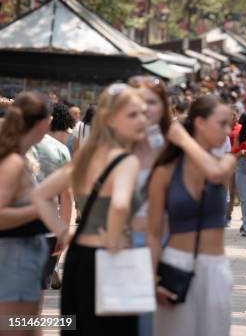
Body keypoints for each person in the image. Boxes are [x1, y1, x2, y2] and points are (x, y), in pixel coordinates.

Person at [32, 84, 148, 335]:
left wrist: (63, 233)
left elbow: (40, 195)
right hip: (114, 259)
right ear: (111, 119)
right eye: (133, 114)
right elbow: (119, 206)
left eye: (142, 113)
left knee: (79, 327)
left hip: (80, 259)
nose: (141, 120)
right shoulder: (126, 160)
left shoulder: (86, 158)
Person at [147, 95, 236, 336]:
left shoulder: (226, 161)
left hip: (215, 268)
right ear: (200, 123)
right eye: (222, 123)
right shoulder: (165, 171)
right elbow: (154, 231)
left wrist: (185, 141)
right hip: (175, 263)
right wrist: (152, 279)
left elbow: (215, 174)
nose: (228, 131)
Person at [0, 92, 51, 331]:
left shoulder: (17, 158)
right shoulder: (14, 162)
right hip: (14, 261)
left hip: (20, 261)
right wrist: (38, 209)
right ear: (43, 124)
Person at [128, 75, 172, 336]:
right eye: (138, 102)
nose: (145, 108)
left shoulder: (176, 147)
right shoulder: (115, 147)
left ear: (164, 106)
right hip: (123, 244)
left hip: (170, 244)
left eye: (152, 102)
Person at [32, 130, 73, 291]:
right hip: (46, 228)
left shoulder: (7, 144)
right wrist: (62, 232)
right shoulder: (59, 148)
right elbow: (66, 194)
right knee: (38, 291)